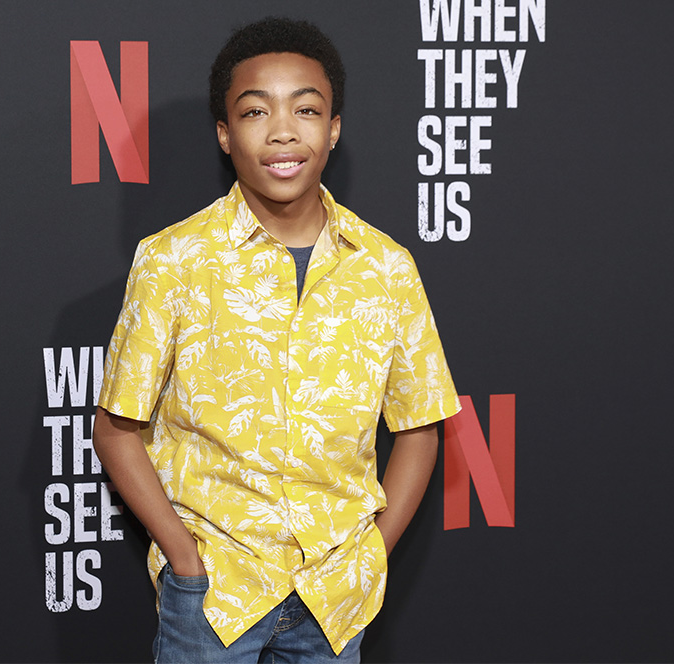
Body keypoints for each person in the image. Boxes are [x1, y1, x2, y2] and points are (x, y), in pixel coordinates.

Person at [93, 16, 460, 663]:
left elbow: (420, 428)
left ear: (334, 128)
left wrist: (371, 552)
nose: (284, 130)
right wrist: (185, 559)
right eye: (257, 110)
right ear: (224, 133)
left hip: (334, 595)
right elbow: (116, 427)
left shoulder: (385, 266)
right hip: (215, 595)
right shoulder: (173, 260)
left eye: (307, 109)